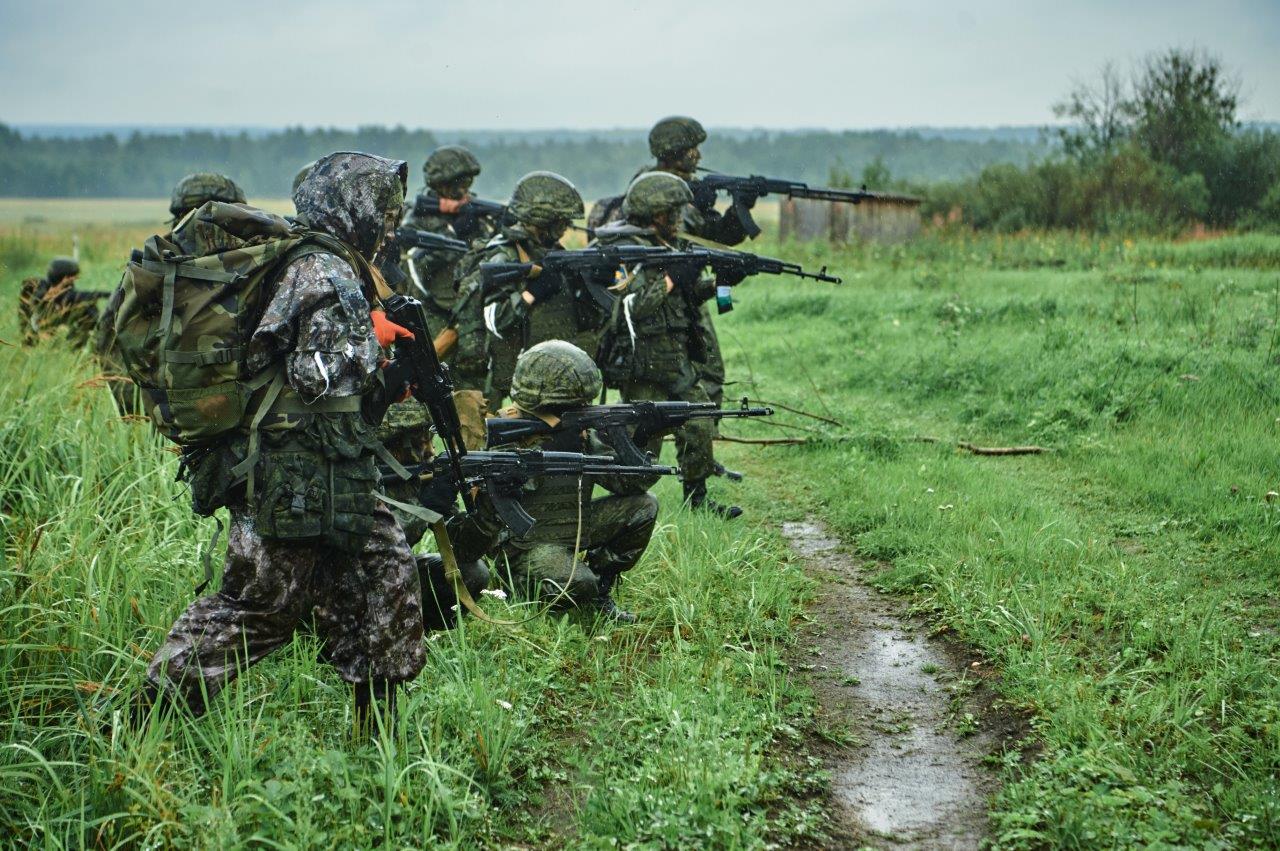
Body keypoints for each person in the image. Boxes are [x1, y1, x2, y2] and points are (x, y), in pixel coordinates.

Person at [139, 152, 426, 730]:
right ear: (351, 209)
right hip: (290, 470)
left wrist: (380, 375)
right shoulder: (323, 270)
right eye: (382, 209)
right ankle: (140, 724)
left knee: (384, 578)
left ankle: (381, 739)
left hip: (326, 464)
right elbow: (314, 373)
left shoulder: (321, 263)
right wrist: (371, 338)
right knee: (259, 608)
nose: (389, 223)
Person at [595, 171, 747, 518]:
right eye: (674, 214)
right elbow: (629, 307)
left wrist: (717, 283)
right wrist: (669, 279)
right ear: (656, 215)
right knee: (642, 447)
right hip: (642, 362)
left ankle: (697, 500)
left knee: (699, 422)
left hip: (676, 358)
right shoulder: (628, 253)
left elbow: (687, 296)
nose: (680, 220)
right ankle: (624, 504)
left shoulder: (671, 248)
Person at [490, 340, 660, 622]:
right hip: (526, 545)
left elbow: (630, 486)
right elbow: (502, 494)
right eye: (572, 406)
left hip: (571, 529)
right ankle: (518, 586)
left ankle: (600, 589)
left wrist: (641, 438)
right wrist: (549, 447)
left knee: (644, 507)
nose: (583, 409)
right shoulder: (508, 433)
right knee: (580, 583)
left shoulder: (579, 434)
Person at [93, 173, 248, 413]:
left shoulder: (151, 266)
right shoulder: (257, 258)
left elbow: (111, 346)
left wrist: (141, 411)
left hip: (172, 416)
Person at [453, 171, 584, 406]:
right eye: (562, 222)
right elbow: (496, 320)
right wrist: (532, 293)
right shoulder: (504, 256)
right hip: (501, 375)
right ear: (543, 220)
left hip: (542, 374)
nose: (566, 229)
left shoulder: (551, 253)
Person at [399, 146, 495, 329]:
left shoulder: (474, 212)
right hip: (432, 309)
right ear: (441, 185)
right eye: (459, 186)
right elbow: (416, 267)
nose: (464, 192)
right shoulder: (416, 220)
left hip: (471, 306)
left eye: (468, 185)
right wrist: (454, 231)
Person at [18, 257, 108, 347]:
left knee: (89, 309)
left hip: (60, 324)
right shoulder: (42, 287)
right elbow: (73, 296)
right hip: (42, 325)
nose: (74, 278)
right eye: (71, 276)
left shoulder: (66, 288)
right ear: (61, 276)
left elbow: (74, 296)